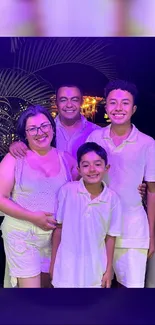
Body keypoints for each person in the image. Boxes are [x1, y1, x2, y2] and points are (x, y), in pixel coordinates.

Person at [86, 79, 155, 288]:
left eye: (125, 103)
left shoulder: (147, 143)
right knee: (94, 289)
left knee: (132, 290)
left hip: (132, 229)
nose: (118, 108)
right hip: (97, 228)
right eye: (113, 102)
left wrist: (152, 234)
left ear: (133, 109)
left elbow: (152, 191)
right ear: (105, 106)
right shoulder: (94, 138)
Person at [0, 105, 78, 288]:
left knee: (49, 291)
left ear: (52, 127)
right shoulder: (14, 158)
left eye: (44, 126)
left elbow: (88, 183)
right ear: (25, 134)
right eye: (32, 128)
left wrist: (142, 187)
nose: (40, 132)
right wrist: (33, 217)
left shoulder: (66, 159)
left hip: (55, 238)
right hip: (22, 234)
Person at [50, 142, 122, 288]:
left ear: (106, 168)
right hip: (66, 269)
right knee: (65, 308)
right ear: (79, 169)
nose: (92, 169)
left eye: (97, 164)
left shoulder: (112, 199)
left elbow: (111, 237)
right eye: (86, 165)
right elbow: (59, 229)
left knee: (91, 308)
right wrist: (53, 263)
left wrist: (108, 270)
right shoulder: (67, 191)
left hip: (95, 269)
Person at [9, 84, 101, 159]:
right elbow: (29, 143)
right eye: (63, 100)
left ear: (81, 102)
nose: (69, 105)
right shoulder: (45, 130)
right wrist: (17, 145)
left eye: (74, 99)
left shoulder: (97, 132)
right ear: (56, 103)